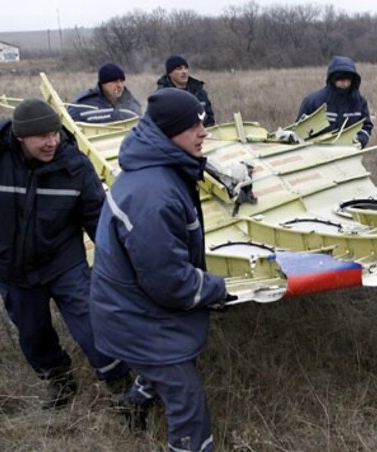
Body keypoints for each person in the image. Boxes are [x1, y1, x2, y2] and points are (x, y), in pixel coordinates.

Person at [89, 88, 238, 450]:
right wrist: (216, 288)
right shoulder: (154, 195)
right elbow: (169, 283)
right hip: (132, 313)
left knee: (162, 364)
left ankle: (134, 403)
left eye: (201, 123)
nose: (203, 132)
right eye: (192, 126)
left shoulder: (157, 170)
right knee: (187, 401)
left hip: (126, 304)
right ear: (168, 133)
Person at [0, 98, 133, 409]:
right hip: (12, 268)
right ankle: (59, 381)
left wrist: (121, 266)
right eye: (43, 136)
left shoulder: (74, 166)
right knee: (32, 334)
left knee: (93, 325)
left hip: (63, 262)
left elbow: (97, 219)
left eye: (55, 133)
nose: (52, 142)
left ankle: (121, 389)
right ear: (20, 137)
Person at [296, 56, 373, 148]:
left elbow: (366, 126)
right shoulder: (313, 101)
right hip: (317, 152)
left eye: (348, 79)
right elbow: (300, 131)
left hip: (348, 152)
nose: (345, 83)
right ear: (333, 79)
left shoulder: (360, 102)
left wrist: (361, 141)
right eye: (341, 79)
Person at [68, 63, 142, 123]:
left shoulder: (132, 104)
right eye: (114, 82)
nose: (119, 85)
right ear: (103, 84)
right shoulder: (82, 106)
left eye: (122, 81)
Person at [156, 55, 215, 127]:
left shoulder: (199, 92)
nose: (184, 72)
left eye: (186, 68)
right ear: (170, 73)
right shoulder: (162, 95)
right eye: (179, 69)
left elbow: (210, 119)